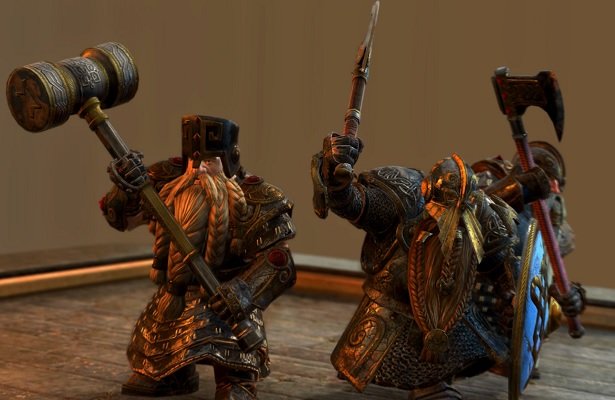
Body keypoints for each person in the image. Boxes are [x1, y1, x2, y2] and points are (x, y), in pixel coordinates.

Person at [312, 132, 529, 399]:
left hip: (453, 312)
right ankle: (424, 385)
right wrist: (338, 183)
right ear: (427, 192)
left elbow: (499, 263)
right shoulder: (402, 195)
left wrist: (511, 294)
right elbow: (355, 204)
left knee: (468, 349)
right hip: (392, 308)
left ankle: (436, 382)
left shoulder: (480, 212)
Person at [99, 115, 296, 399]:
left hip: (224, 299)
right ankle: (171, 373)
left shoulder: (256, 197)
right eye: (194, 162)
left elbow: (279, 261)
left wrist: (242, 292)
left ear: (230, 159)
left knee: (230, 347)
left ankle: (235, 380)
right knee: (156, 347)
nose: (200, 169)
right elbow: (119, 218)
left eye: (209, 162)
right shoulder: (167, 182)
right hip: (174, 295)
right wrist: (124, 187)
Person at [471, 141, 585, 322]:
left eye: (548, 177)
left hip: (509, 322)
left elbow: (542, 279)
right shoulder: (490, 179)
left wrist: (568, 296)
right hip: (469, 300)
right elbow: (468, 214)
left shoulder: (554, 229)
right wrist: (514, 188)